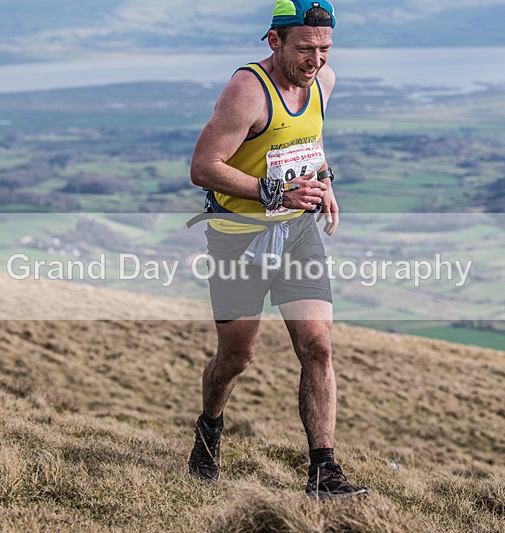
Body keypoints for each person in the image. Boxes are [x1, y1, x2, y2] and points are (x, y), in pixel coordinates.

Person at [187, 0, 368, 500]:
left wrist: (324, 180)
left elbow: (309, 141)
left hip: (297, 232)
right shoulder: (247, 90)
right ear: (275, 42)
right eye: (305, 49)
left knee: (317, 344)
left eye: (325, 49)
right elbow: (204, 166)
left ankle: (323, 472)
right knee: (237, 357)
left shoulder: (324, 83)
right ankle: (210, 428)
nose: (316, 61)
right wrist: (273, 193)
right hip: (236, 237)